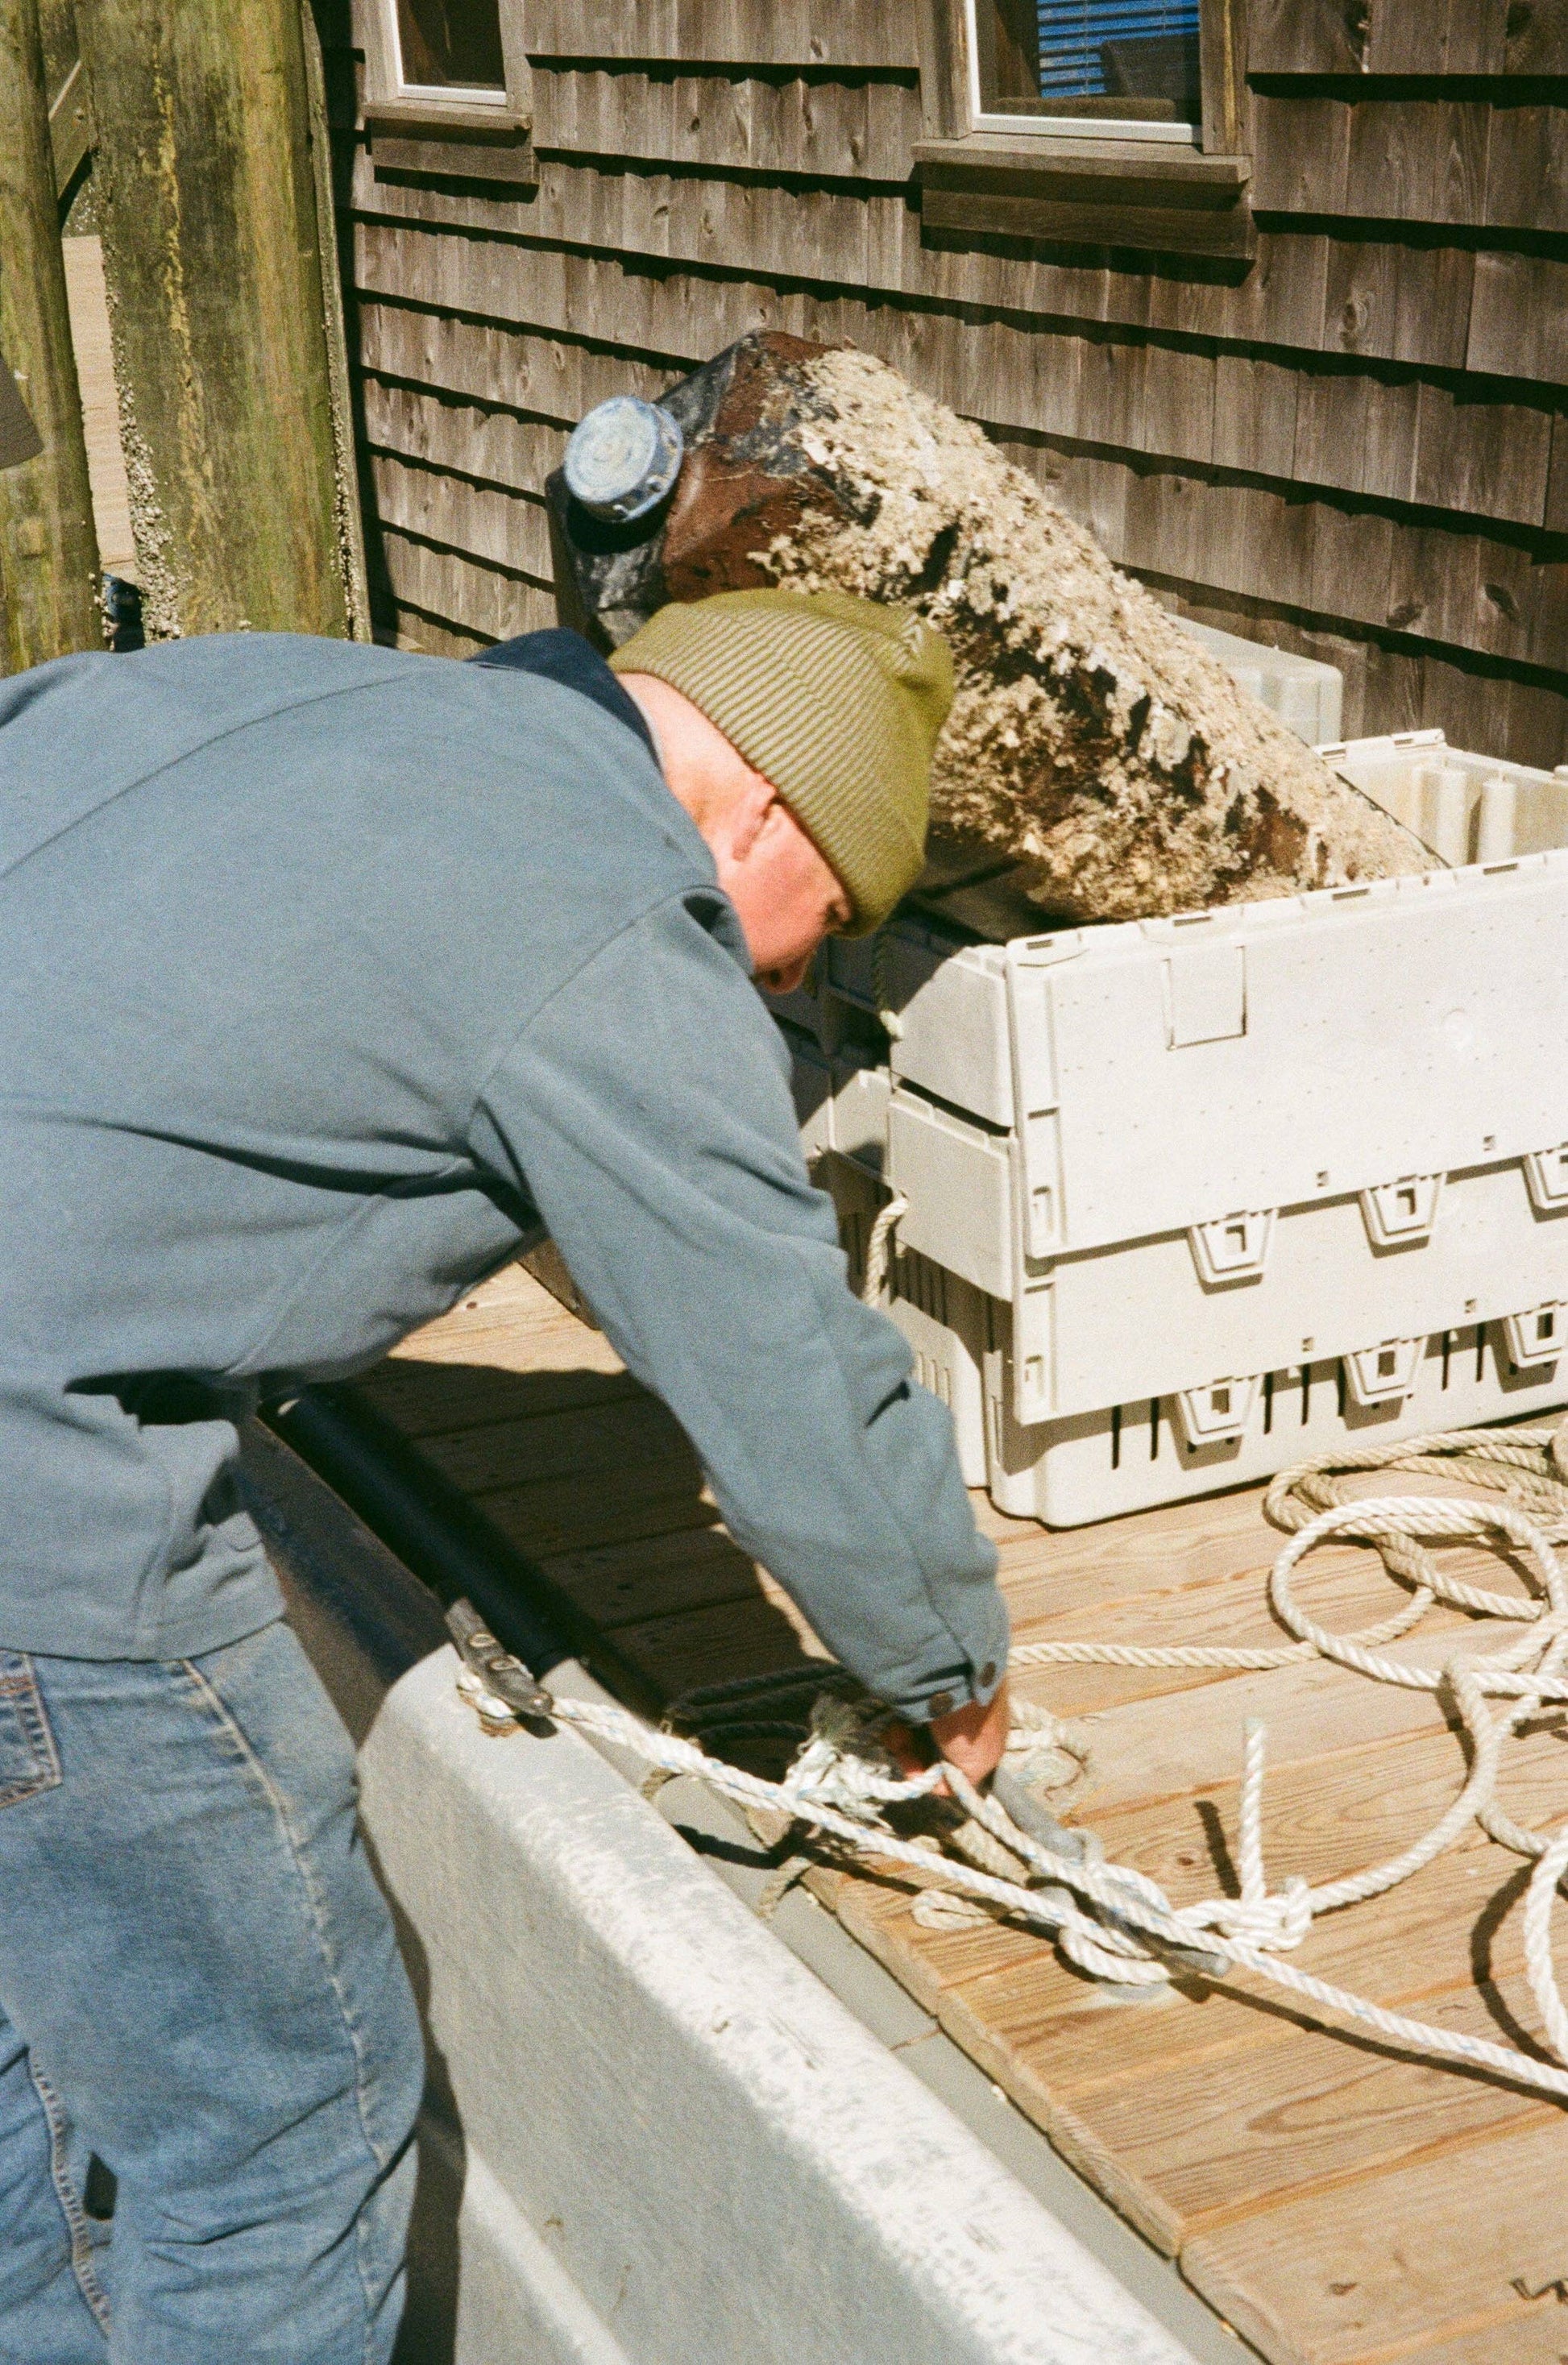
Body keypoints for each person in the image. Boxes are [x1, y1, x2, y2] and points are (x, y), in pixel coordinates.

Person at [0, 586, 1010, 2360]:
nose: (783, 979)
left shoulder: (265, 690)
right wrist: (946, 1659)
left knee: (32, 2059)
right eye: (823, 932)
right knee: (270, 2145)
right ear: (767, 814)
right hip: (38, 1504)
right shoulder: (610, 908)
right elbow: (776, 1346)